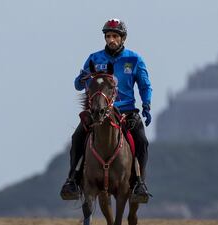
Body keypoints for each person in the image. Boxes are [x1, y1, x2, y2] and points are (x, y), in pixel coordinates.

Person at [60, 18, 152, 202]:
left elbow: (145, 85)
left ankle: (139, 184)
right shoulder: (95, 58)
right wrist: (82, 78)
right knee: (77, 137)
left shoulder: (134, 59)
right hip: (98, 112)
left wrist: (146, 105)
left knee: (142, 141)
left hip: (126, 112)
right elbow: (78, 84)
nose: (111, 40)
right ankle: (72, 180)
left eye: (115, 36)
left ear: (123, 38)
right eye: (108, 36)